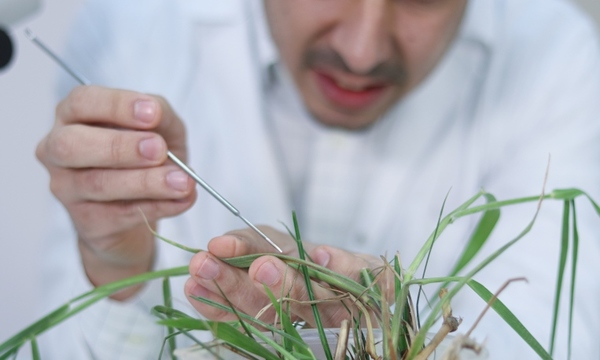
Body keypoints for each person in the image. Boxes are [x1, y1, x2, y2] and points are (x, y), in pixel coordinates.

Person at [34, 0, 600, 358]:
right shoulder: (132, 21)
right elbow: (59, 348)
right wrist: (118, 268)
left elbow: (553, 338)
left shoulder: (562, 61)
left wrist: (400, 335)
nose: (361, 51)